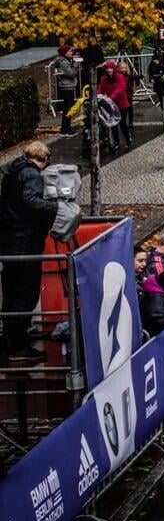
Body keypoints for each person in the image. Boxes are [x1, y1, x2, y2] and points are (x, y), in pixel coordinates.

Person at [0, 141, 62, 360]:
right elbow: (31, 201)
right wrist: (57, 207)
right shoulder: (32, 174)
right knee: (25, 294)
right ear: (44, 158)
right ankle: (18, 345)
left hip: (9, 242)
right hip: (25, 242)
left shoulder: (12, 171)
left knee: (11, 292)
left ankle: (12, 338)